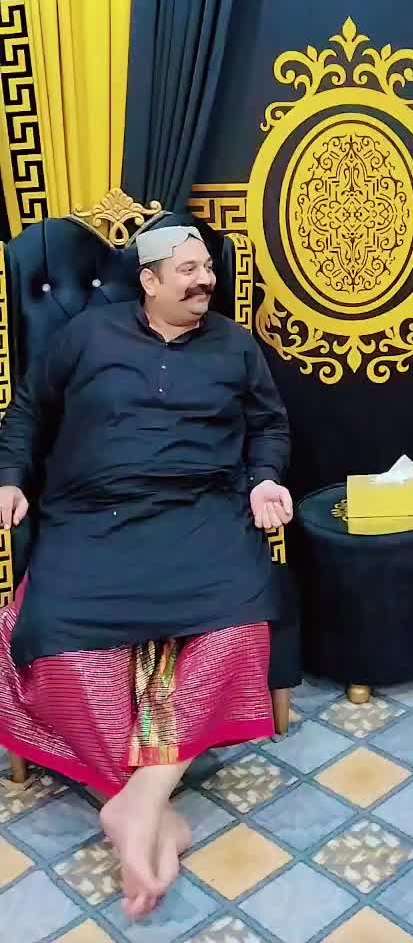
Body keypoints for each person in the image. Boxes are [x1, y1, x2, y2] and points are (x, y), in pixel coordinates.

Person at [0, 224, 292, 919]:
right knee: (55, 645)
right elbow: (28, 411)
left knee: (241, 631)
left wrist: (263, 479)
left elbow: (268, 426)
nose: (204, 280)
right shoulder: (86, 336)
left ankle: (140, 801)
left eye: (207, 268)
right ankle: (148, 810)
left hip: (200, 515)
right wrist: (9, 477)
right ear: (149, 280)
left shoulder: (234, 345)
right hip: (92, 518)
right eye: (187, 270)